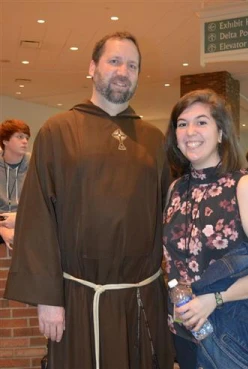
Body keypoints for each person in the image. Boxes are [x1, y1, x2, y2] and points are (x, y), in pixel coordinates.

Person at [4, 31, 173, 369]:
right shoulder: (59, 131)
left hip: (142, 297)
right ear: (92, 67)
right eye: (114, 61)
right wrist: (47, 300)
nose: (123, 71)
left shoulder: (154, 141)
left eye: (132, 65)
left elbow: (167, 218)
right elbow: (38, 218)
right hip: (80, 299)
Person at [163, 89, 248, 369]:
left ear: (221, 133)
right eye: (182, 123)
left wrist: (215, 299)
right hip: (185, 331)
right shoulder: (175, 189)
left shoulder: (243, 185)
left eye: (202, 122)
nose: (191, 131)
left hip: (234, 331)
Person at [0, 119, 30, 249]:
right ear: (5, 141)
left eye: (27, 138)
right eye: (19, 137)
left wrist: (19, 218)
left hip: (27, 221)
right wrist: (2, 230)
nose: (25, 141)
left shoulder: (35, 165)